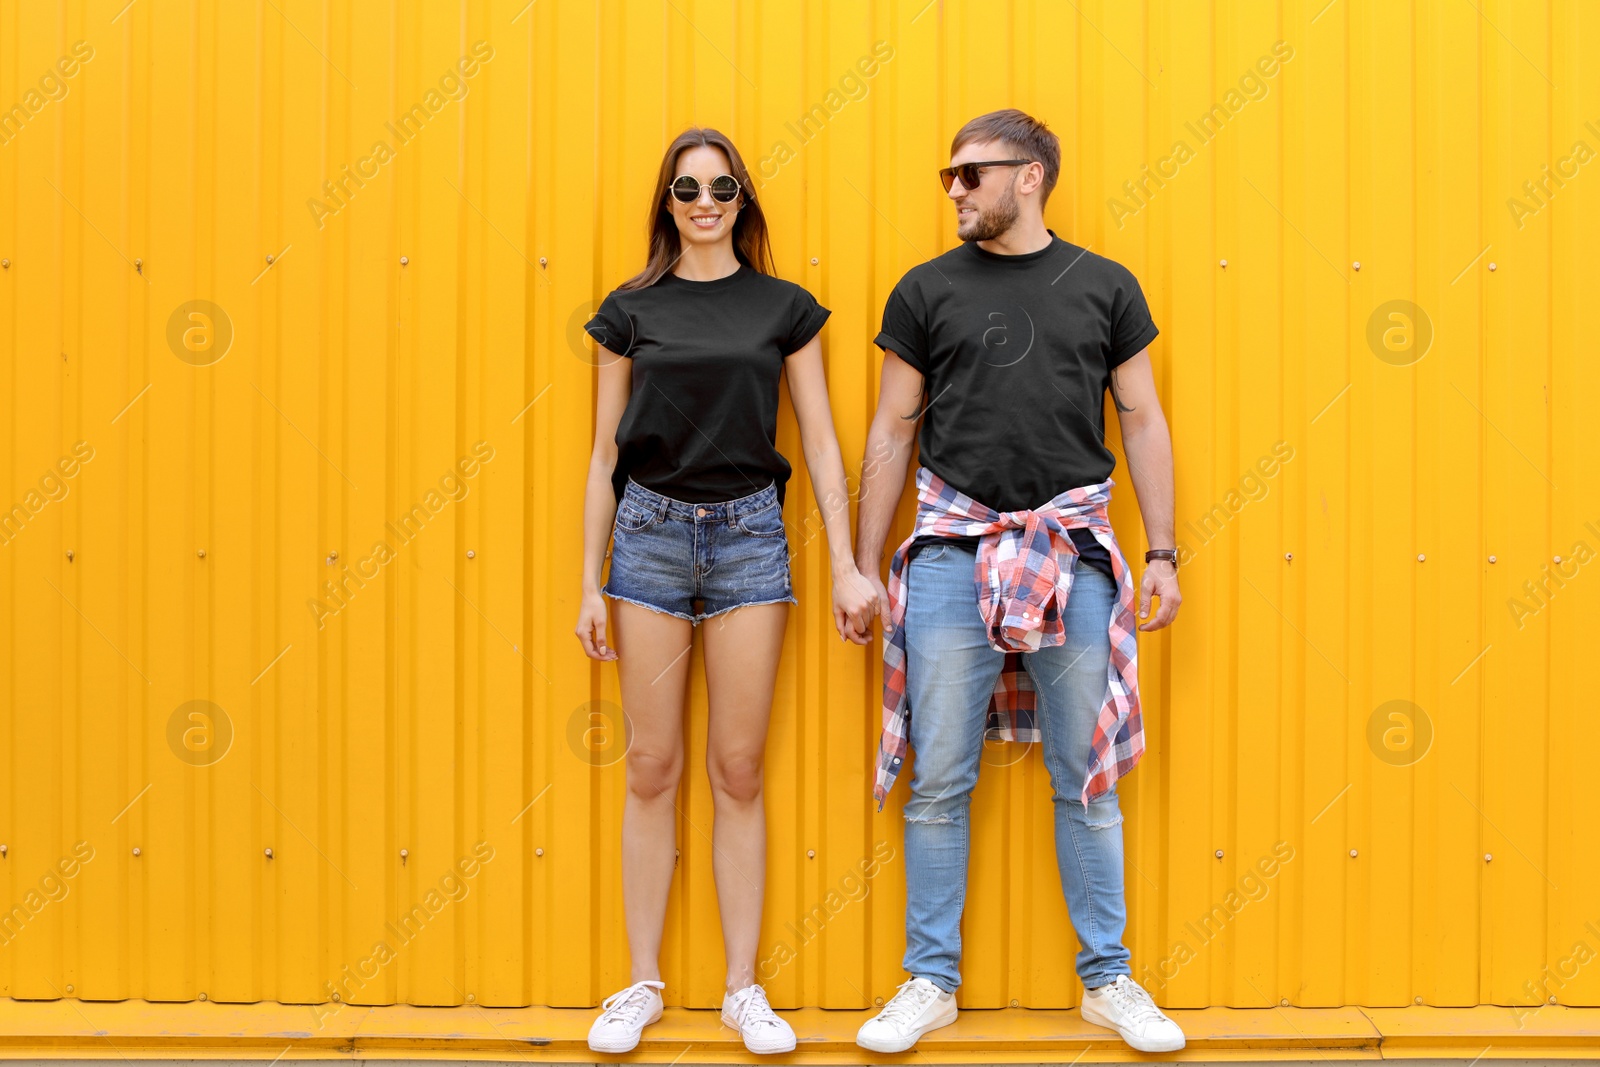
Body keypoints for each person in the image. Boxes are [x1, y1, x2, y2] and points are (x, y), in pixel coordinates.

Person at [848, 109, 1186, 1055]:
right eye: (947, 177)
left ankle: (1109, 980)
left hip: (1071, 550)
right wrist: (863, 567)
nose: (953, 191)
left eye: (968, 175)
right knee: (940, 775)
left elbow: (1144, 418)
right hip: (953, 549)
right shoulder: (925, 290)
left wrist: (1161, 552)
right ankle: (930, 981)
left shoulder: (1106, 286)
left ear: (1028, 175)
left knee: (1086, 780)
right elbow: (890, 430)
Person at [574, 127, 879, 1056]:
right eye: (685, 189)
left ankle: (743, 987)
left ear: (743, 200)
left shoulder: (784, 307)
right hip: (650, 541)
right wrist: (589, 581)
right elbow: (601, 456)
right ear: (666, 203)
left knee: (738, 772)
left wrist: (846, 564)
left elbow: (822, 441)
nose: (704, 201)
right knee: (651, 768)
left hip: (750, 539)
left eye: (721, 187)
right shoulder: (629, 310)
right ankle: (641, 983)